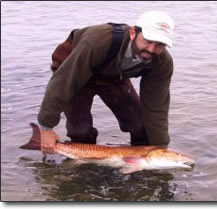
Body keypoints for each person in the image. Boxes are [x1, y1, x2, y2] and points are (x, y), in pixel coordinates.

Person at [38, 10, 175, 154]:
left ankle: (139, 169)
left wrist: (161, 149)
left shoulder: (162, 63)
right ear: (133, 33)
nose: (152, 49)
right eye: (147, 40)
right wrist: (46, 127)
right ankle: (82, 171)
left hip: (112, 76)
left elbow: (156, 106)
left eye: (160, 44)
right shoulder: (97, 43)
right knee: (80, 132)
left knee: (141, 126)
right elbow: (62, 83)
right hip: (73, 70)